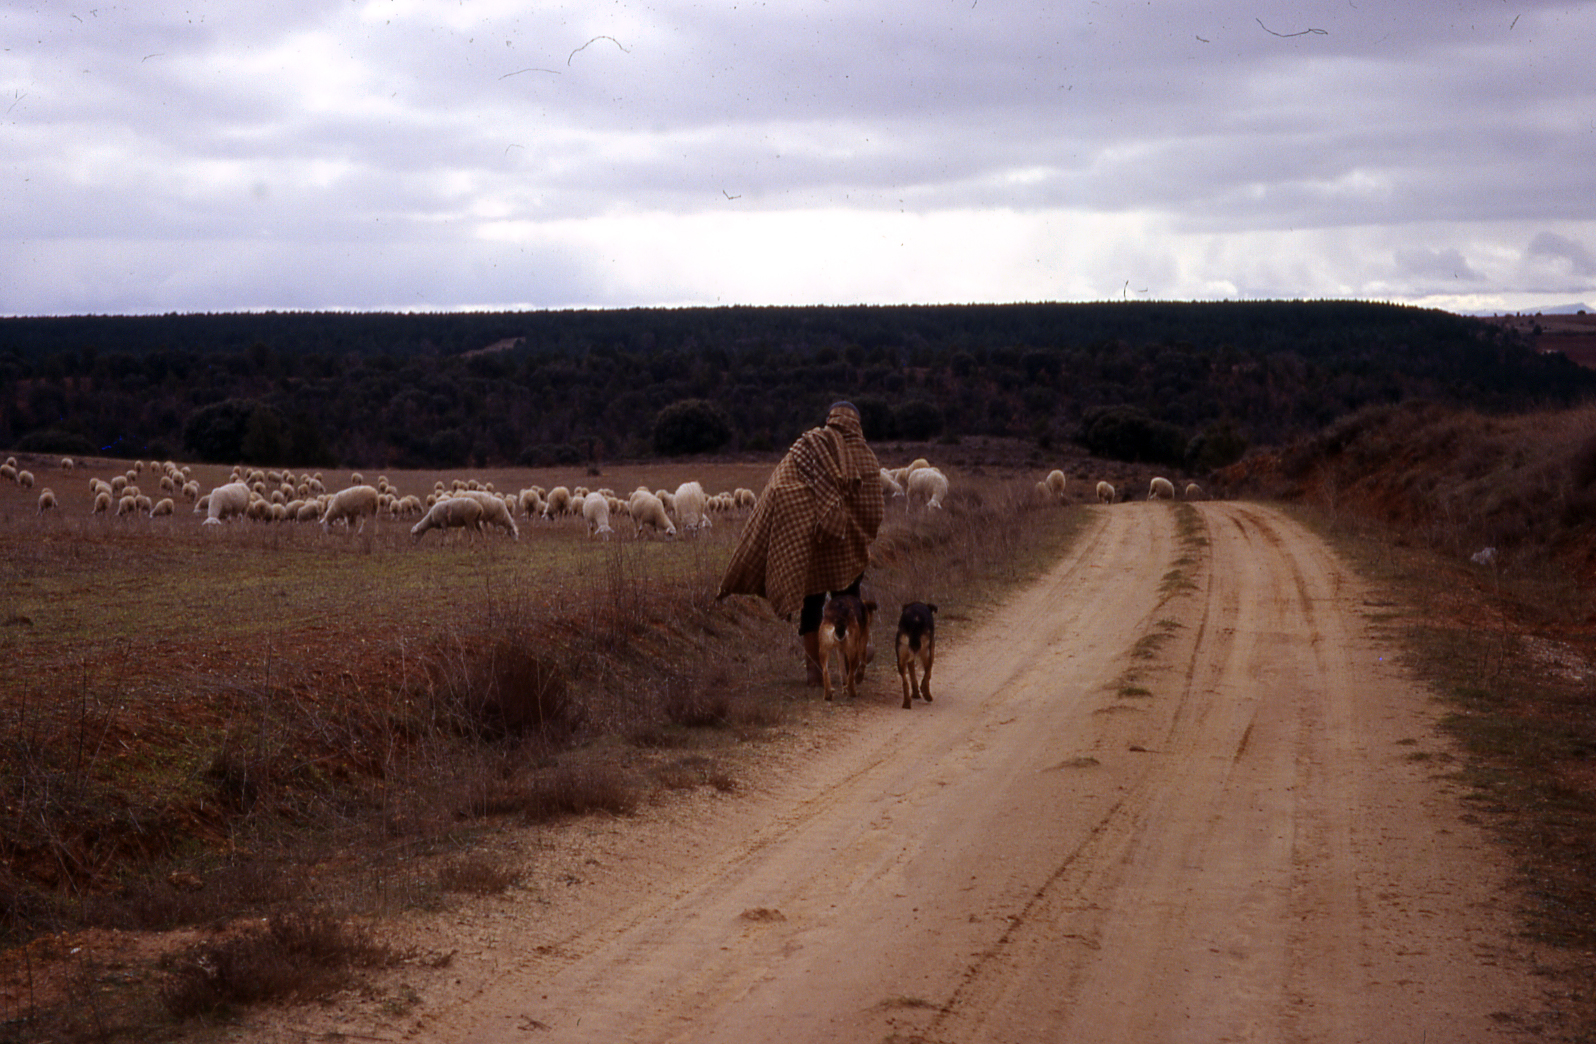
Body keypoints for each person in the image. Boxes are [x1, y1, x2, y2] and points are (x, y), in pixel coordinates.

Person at [717, 401, 885, 685]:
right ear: (857, 423)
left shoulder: (808, 446)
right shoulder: (866, 457)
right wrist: (852, 527)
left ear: (831, 419)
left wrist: (805, 519)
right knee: (849, 600)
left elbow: (779, 488)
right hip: (847, 548)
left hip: (811, 545)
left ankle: (814, 672)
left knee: (812, 603)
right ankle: (851, 662)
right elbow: (874, 509)